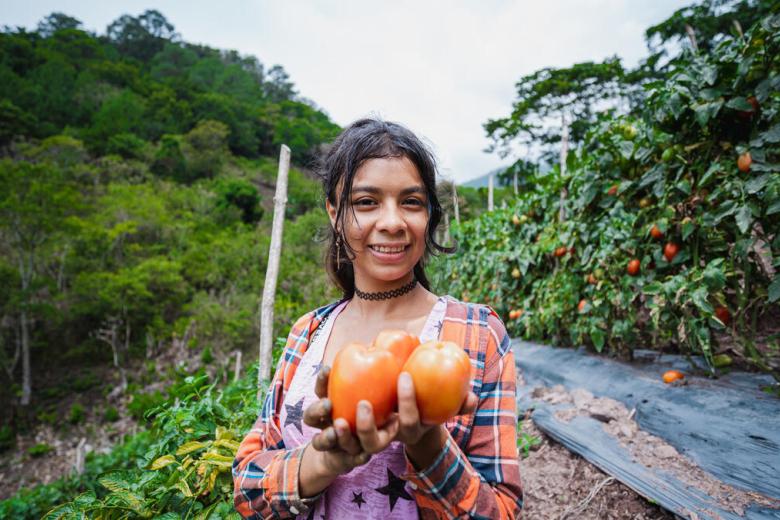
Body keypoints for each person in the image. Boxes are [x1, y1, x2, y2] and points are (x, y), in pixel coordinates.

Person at [232, 118, 523, 519]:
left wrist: (427, 445)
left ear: (429, 216)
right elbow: (247, 486)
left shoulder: (477, 335)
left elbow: (503, 510)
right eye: (366, 202)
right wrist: (323, 461)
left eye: (411, 202)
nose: (391, 222)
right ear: (335, 213)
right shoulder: (308, 332)